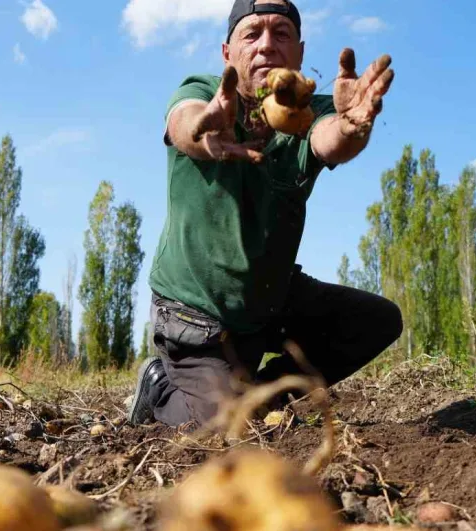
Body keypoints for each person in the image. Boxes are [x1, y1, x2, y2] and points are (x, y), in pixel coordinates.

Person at [126, 0, 403, 427]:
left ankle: (260, 398)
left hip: (268, 298)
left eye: (281, 34)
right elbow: (185, 122)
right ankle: (161, 384)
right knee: (218, 432)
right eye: (252, 34)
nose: (266, 46)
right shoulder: (202, 92)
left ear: (300, 52)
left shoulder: (308, 110)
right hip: (196, 313)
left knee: (376, 321)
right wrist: (206, 132)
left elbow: (328, 140)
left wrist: (350, 128)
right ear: (227, 53)